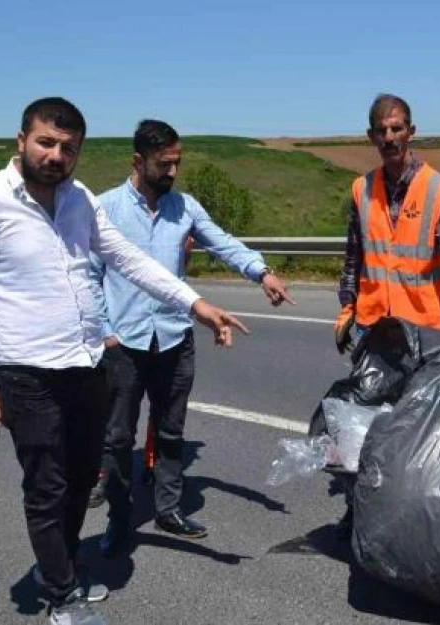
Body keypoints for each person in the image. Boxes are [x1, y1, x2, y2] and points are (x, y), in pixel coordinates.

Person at [0, 98, 248, 625]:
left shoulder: (79, 199)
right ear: (21, 140)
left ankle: (53, 570)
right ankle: (62, 596)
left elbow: (128, 258)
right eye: (46, 143)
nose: (56, 155)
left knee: (83, 479)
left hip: (86, 367)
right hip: (26, 371)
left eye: (68, 148)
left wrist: (194, 304)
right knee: (47, 486)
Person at [86, 119, 294, 557]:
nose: (173, 173)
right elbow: (88, 277)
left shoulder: (185, 208)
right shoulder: (104, 209)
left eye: (178, 163)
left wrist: (262, 271)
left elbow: (224, 243)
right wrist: (104, 334)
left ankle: (167, 510)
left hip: (175, 339)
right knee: (119, 437)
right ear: (138, 161)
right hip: (123, 343)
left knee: (170, 430)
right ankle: (119, 522)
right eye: (165, 164)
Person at [331, 93, 440, 538]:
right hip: (373, 332)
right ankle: (359, 508)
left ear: (411, 132)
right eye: (381, 130)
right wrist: (347, 306)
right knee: (363, 425)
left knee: (418, 430)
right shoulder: (362, 189)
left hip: (422, 336)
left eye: (397, 128)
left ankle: (417, 518)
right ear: (370, 136)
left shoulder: (437, 189)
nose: (389, 137)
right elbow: (353, 259)